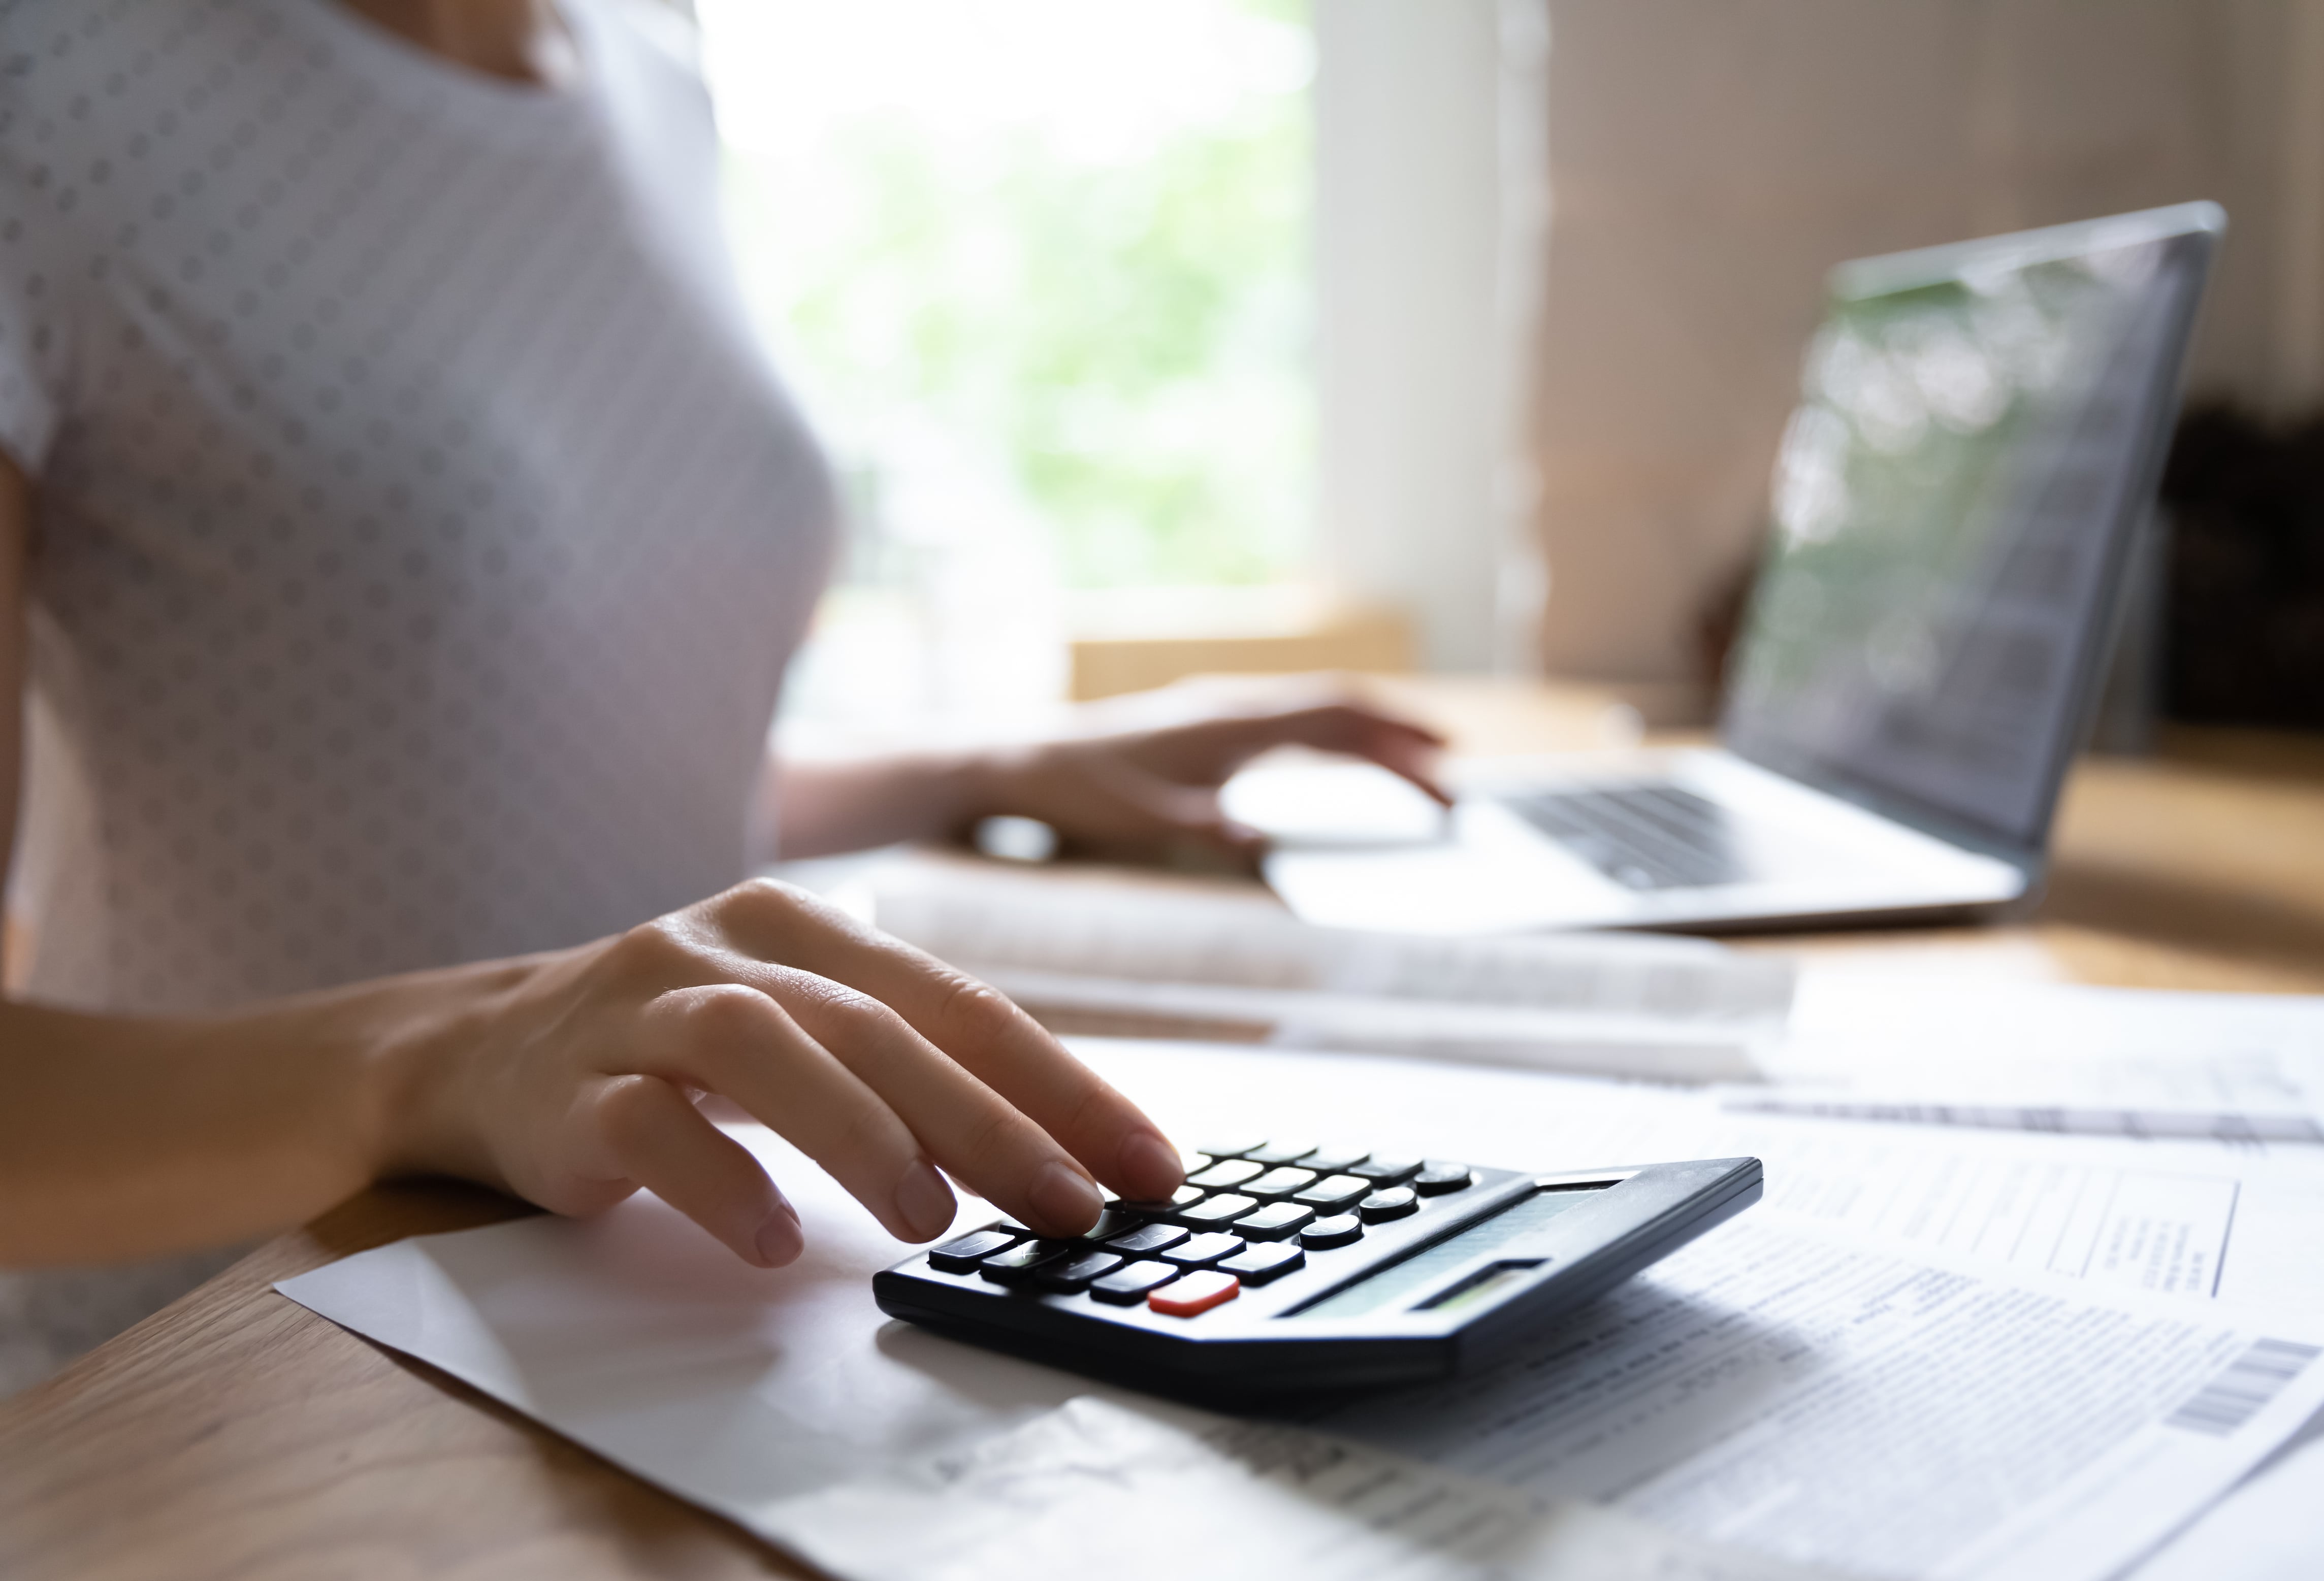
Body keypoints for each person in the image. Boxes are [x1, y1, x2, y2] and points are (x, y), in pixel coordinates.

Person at [0, 0, 1445, 1391]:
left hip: (665, 1324)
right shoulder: (48, 84)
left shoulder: (646, 55)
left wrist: (978, 770)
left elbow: (538, 766)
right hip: (217, 1387)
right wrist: (429, 1065)